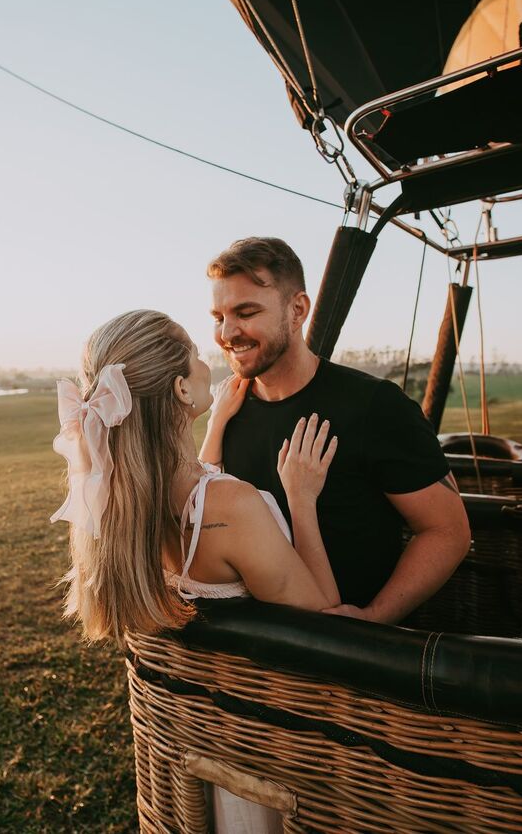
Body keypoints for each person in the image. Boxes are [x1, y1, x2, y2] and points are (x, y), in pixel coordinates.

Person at [50, 308, 340, 834]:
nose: (213, 359)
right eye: (197, 355)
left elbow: (191, 492)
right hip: (272, 761)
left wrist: (217, 422)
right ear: (182, 390)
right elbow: (325, 622)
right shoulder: (232, 506)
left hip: (200, 757)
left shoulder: (123, 502)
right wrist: (302, 499)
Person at [201, 237, 471, 625]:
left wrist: (375, 618)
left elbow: (448, 530)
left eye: (246, 312)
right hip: (255, 661)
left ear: (297, 310)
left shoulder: (375, 406)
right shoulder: (230, 411)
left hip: (351, 661)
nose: (227, 333)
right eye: (218, 316)